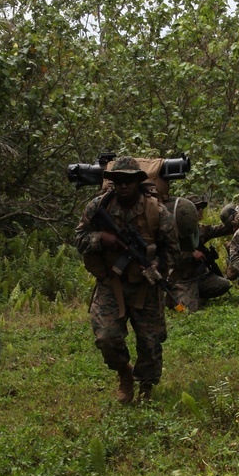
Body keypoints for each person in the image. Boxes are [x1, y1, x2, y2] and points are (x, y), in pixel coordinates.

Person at [74, 156, 179, 403]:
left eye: (128, 181)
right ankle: (124, 373)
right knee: (106, 338)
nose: (123, 186)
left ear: (137, 182)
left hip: (146, 286)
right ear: (113, 182)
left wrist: (156, 267)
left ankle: (146, 386)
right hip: (112, 283)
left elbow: (173, 250)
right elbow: (79, 239)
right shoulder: (98, 207)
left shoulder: (157, 211)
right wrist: (101, 238)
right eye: (118, 180)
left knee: (151, 343)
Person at [167, 197, 232, 313]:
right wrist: (190, 254)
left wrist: (235, 221)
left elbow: (219, 230)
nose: (200, 211)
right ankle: (175, 296)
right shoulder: (174, 231)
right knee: (186, 311)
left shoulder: (200, 230)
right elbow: (169, 255)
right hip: (182, 280)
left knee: (224, 284)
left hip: (199, 276)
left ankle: (195, 294)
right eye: (196, 208)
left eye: (201, 208)